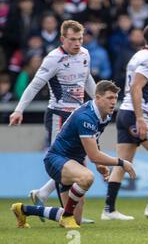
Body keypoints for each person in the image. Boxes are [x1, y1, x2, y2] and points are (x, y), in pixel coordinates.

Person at [11, 81, 136, 229]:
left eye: (115, 97)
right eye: (109, 98)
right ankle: (66, 215)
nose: (113, 102)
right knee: (87, 177)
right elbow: (94, 155)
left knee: (76, 220)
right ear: (97, 97)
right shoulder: (86, 117)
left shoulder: (104, 116)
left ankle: (23, 209)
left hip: (72, 162)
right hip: (56, 159)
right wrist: (122, 163)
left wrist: (99, 164)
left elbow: (94, 139)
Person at [8, 20, 97, 224]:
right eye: (72, 39)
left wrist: (99, 102)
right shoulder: (53, 59)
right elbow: (34, 85)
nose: (77, 43)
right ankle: (67, 213)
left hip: (79, 116)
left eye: (80, 39)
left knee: (79, 163)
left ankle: (43, 194)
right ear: (62, 39)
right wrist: (18, 110)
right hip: (59, 116)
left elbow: (87, 80)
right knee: (63, 162)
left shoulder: (85, 54)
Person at [101, 23, 148, 221]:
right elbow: (136, 88)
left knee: (122, 163)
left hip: (126, 112)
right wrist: (142, 117)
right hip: (135, 114)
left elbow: (135, 90)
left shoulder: (137, 55)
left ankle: (109, 210)